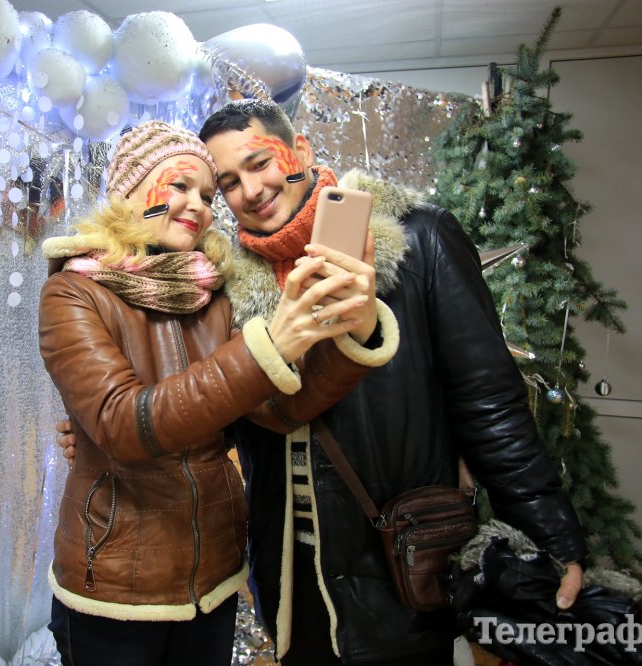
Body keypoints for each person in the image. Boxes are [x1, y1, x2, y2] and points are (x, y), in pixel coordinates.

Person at [58, 100, 588, 665]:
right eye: (228, 184)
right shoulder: (225, 282)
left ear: (301, 152)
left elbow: (490, 403)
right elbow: (226, 407)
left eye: (260, 163)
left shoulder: (419, 241)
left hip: (400, 554)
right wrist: (101, 428)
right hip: (288, 566)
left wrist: (549, 534)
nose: (250, 191)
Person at [38, 120, 399, 666]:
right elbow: (123, 423)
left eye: (208, 196)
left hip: (214, 579)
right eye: (180, 185)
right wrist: (266, 348)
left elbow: (280, 409)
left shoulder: (213, 295)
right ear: (127, 191)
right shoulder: (73, 292)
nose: (199, 206)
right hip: (113, 585)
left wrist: (356, 332)